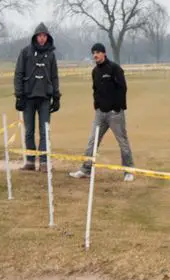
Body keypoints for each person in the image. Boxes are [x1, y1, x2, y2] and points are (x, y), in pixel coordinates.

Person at [70, 43, 136, 182]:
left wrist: (118, 107)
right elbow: (95, 89)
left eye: (98, 52)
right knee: (92, 141)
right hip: (100, 113)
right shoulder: (95, 71)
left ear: (104, 53)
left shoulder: (114, 68)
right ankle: (86, 170)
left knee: (122, 142)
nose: (95, 55)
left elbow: (122, 88)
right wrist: (97, 105)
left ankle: (128, 171)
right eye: (93, 53)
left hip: (115, 113)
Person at [14, 23, 61, 171]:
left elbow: (54, 76)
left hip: (45, 98)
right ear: (35, 37)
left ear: (47, 37)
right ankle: (29, 161)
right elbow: (18, 74)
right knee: (29, 131)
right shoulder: (25, 52)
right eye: (40, 36)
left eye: (44, 36)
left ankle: (44, 162)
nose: (42, 39)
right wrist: (19, 95)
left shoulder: (51, 55)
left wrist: (56, 96)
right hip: (28, 97)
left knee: (44, 130)